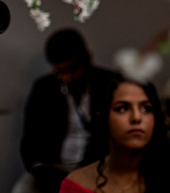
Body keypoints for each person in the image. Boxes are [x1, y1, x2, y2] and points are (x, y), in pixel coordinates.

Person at [19, 29, 122, 193]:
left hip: (97, 168)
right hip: (52, 168)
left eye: (72, 69)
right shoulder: (43, 88)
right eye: (60, 71)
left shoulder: (109, 84)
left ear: (87, 60)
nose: (67, 77)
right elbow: (29, 140)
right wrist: (39, 169)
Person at [60, 77, 170, 193]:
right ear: (102, 117)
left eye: (146, 108)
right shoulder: (76, 185)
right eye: (122, 108)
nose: (136, 118)